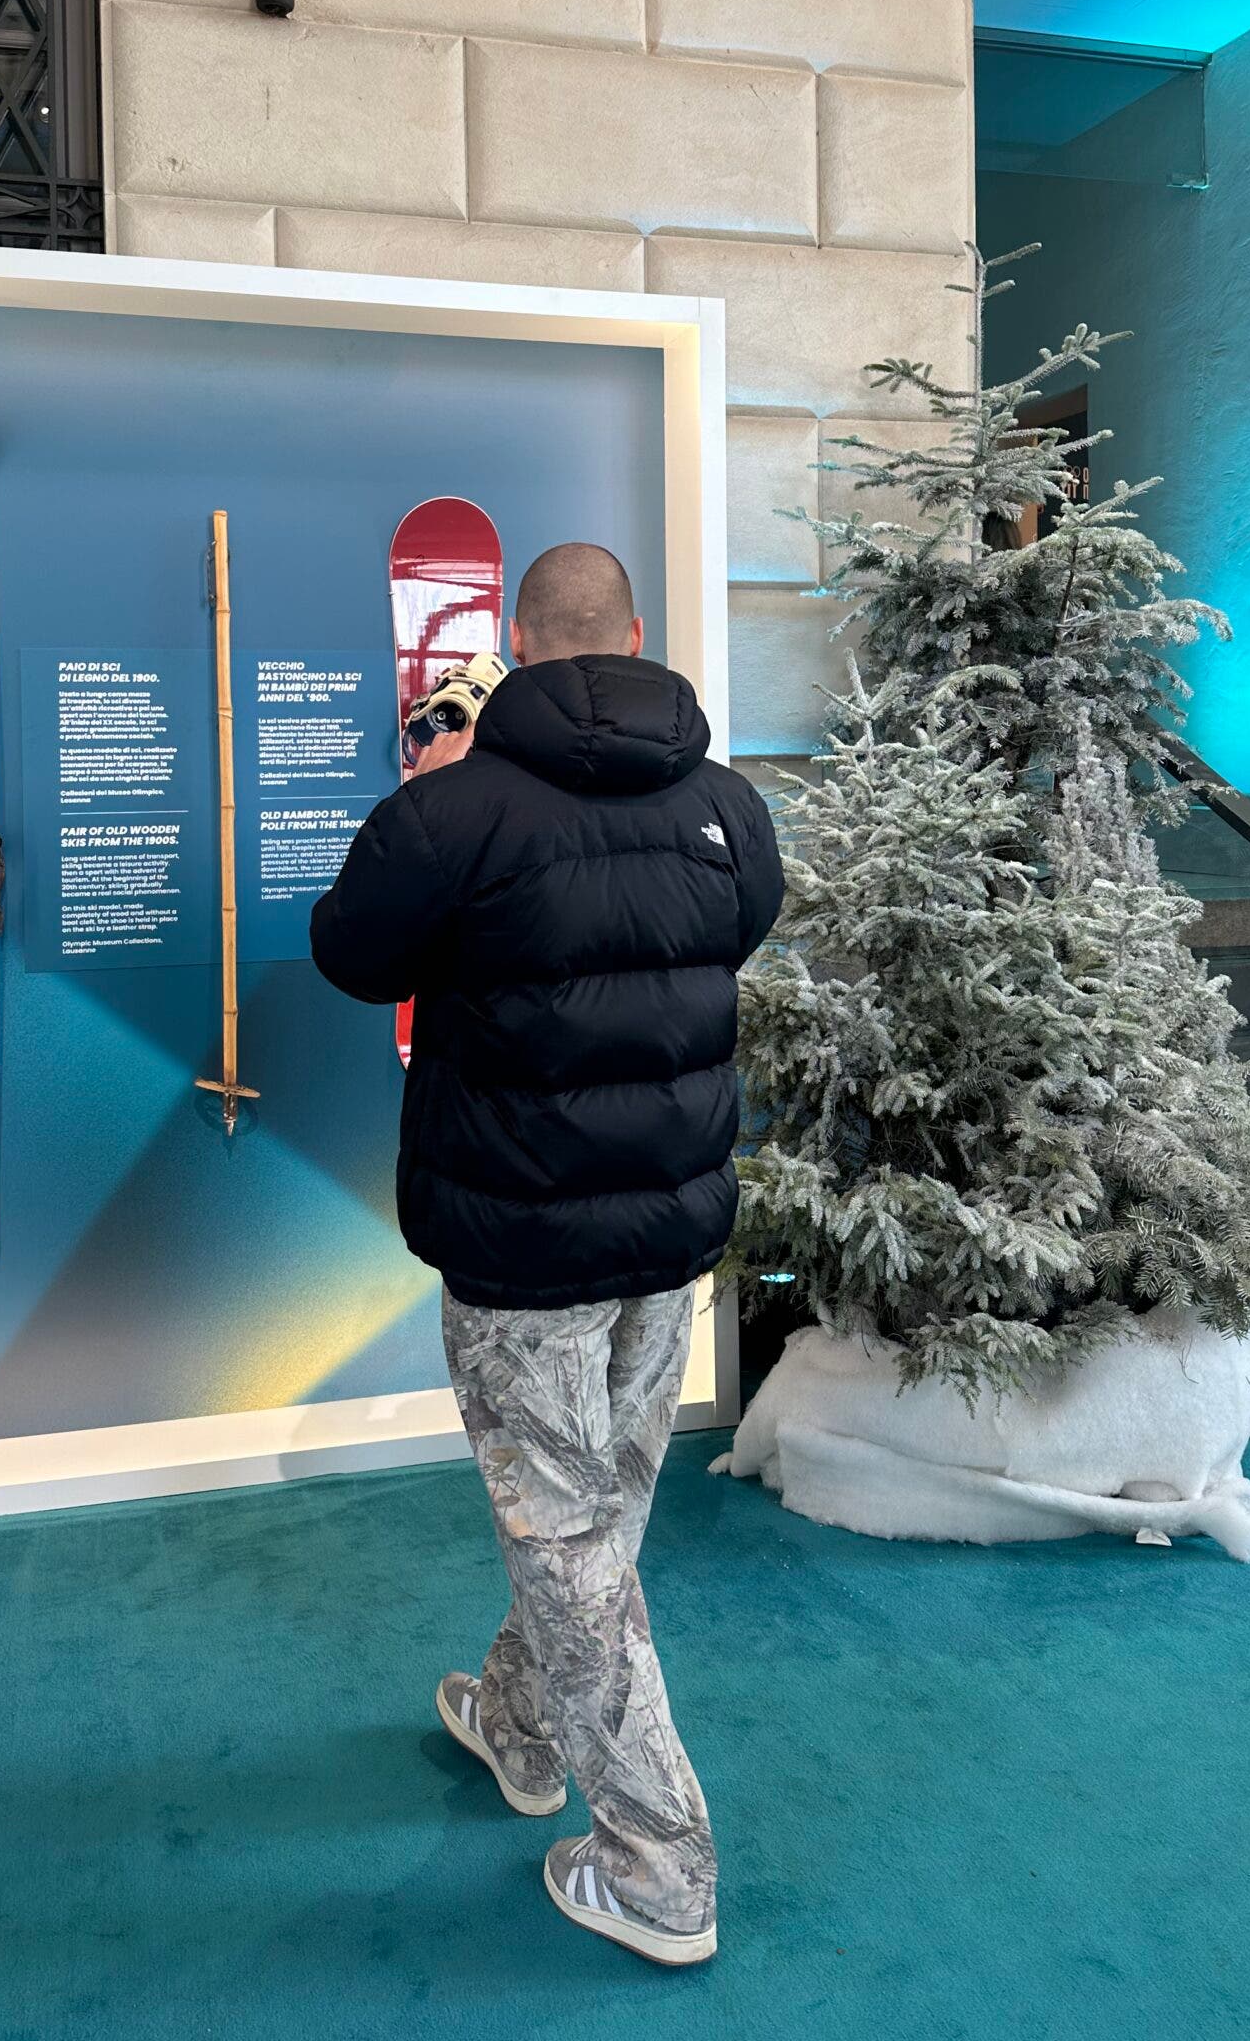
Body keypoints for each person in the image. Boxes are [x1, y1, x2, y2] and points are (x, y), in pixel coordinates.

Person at [310, 542, 783, 1969]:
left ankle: (659, 1867)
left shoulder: (453, 813)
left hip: (523, 1251)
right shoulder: (730, 807)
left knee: (575, 1539)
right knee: (595, 1517)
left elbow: (350, 953)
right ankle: (520, 1727)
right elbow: (737, 937)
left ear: (518, 644)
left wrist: (422, 814)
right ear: (635, 637)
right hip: (668, 1234)